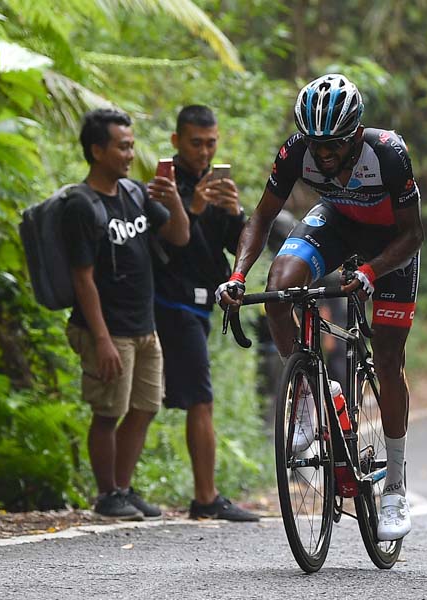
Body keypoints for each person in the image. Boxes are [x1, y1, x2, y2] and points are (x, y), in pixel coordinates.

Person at [218, 74, 424, 541]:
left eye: (334, 145)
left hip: (390, 244)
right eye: (317, 144)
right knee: (278, 289)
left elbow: (414, 236)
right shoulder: (296, 151)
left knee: (389, 359)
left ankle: (393, 486)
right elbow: (261, 217)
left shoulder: (388, 152)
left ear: (355, 134)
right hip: (336, 224)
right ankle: (309, 396)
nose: (324, 154)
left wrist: (370, 273)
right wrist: (236, 275)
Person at [63, 108, 190, 519]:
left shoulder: (135, 194)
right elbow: (83, 279)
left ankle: (123, 487)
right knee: (108, 412)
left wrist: (172, 202)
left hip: (143, 325)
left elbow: (179, 236)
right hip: (107, 329)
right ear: (97, 151)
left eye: (132, 145)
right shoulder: (82, 206)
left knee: (146, 407)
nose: (130, 153)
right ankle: (107, 495)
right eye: (122, 146)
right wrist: (100, 339)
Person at [152, 105, 258, 522]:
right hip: (172, 301)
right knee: (200, 398)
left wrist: (233, 214)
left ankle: (199, 495)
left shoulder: (216, 185)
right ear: (177, 141)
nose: (204, 151)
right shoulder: (164, 185)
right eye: (196, 143)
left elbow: (236, 247)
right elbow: (175, 244)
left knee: (180, 399)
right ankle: (205, 497)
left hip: (201, 303)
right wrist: (192, 206)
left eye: (211, 142)